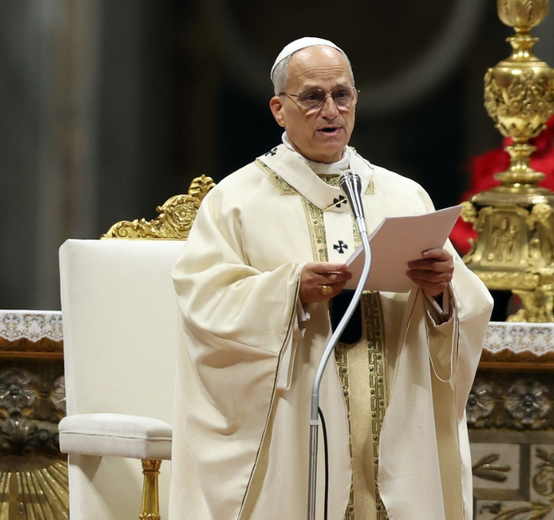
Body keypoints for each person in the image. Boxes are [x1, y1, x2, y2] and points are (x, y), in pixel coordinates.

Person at [169, 37, 493, 520]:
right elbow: (203, 303)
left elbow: (466, 311)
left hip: (395, 414)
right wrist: (288, 291)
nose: (331, 111)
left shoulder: (401, 196)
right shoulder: (236, 200)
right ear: (279, 109)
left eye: (342, 95)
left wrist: (442, 289)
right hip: (298, 416)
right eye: (313, 97)